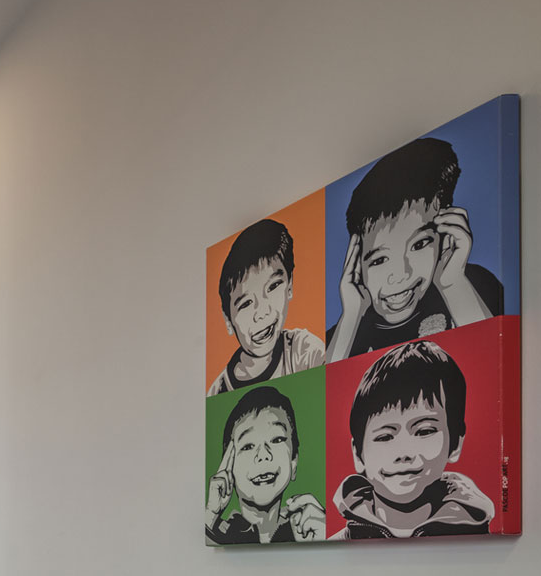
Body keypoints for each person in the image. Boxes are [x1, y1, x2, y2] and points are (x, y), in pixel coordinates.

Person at [326, 137, 503, 362]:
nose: (401, 274)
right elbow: (327, 384)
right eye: (379, 259)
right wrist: (351, 316)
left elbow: (496, 365)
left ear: (445, 235)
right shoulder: (347, 332)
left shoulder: (474, 287)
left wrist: (453, 285)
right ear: (357, 265)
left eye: (419, 245)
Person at [332, 340, 492, 538]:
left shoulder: (480, 543)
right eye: (385, 436)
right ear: (358, 454)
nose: (404, 453)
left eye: (424, 431)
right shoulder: (338, 543)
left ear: (456, 442)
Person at [210, 219, 326, 396]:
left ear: (289, 285)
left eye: (273, 287)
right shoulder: (217, 392)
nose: (262, 313)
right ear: (228, 320)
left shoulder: (304, 352)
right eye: (246, 304)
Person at [206, 386, 326, 544]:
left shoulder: (307, 526)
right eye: (248, 446)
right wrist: (211, 514)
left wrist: (325, 536)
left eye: (277, 439)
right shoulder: (217, 533)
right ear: (229, 467)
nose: (263, 455)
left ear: (294, 462)